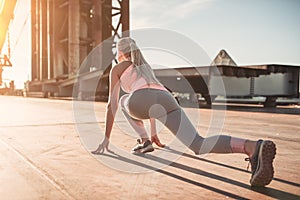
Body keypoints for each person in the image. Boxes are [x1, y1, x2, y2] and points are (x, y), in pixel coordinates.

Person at [92, 37, 276, 187]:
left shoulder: (117, 68)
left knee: (124, 100)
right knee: (198, 144)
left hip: (141, 101)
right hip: (167, 99)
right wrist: (155, 132)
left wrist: (106, 139)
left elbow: (112, 105)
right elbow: (153, 103)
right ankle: (252, 146)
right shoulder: (145, 68)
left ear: (121, 52)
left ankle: (144, 140)